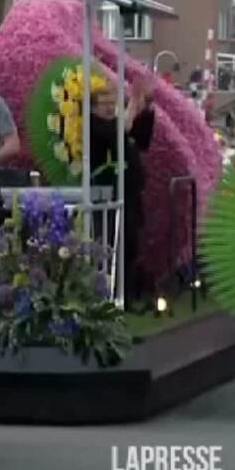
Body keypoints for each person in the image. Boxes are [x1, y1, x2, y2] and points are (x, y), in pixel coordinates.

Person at [90, 76, 155, 307]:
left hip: (130, 193)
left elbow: (141, 139)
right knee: (112, 246)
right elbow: (118, 131)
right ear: (93, 108)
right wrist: (133, 104)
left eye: (112, 103)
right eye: (104, 104)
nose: (109, 108)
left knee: (130, 246)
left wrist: (146, 108)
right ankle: (109, 297)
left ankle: (125, 297)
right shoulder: (94, 127)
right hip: (108, 194)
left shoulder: (116, 124)